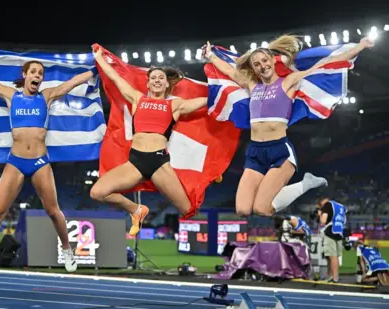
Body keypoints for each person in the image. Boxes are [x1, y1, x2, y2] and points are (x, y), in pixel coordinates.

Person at [0, 49, 96, 274]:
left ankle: (68, 249)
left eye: (41, 73)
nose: (38, 76)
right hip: (16, 161)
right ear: (25, 74)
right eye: (34, 72)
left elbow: (71, 83)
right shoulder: (11, 96)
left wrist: (96, 68)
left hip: (40, 162)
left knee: (53, 211)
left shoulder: (47, 96)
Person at [204, 36, 374, 217]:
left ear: (271, 60)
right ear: (253, 68)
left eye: (264, 61)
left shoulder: (288, 82)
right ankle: (299, 184)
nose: (262, 66)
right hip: (255, 152)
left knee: (262, 209)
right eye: (257, 64)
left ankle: (305, 184)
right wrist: (210, 56)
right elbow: (230, 71)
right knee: (242, 209)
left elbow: (327, 62)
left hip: (280, 151)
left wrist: (360, 46)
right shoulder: (252, 86)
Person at [89, 46, 208, 236]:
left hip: (159, 162)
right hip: (135, 161)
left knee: (187, 209)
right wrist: (100, 59)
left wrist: (226, 88)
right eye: (153, 78)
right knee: (97, 192)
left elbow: (208, 100)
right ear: (148, 83)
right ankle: (136, 210)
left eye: (161, 78)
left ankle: (210, 174)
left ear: (168, 84)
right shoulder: (138, 99)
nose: (157, 80)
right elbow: (116, 78)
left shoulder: (174, 105)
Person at [317, 196, 348, 283]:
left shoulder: (328, 205)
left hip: (330, 231)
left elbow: (323, 221)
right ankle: (332, 276)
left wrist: (320, 215)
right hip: (339, 231)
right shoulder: (341, 206)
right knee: (335, 257)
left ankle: (334, 278)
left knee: (332, 256)